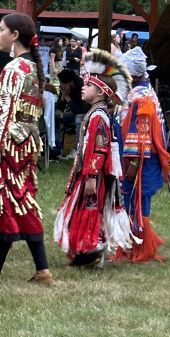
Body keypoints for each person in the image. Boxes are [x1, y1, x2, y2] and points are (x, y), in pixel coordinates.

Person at [54, 49, 132, 269]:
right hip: (89, 173)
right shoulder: (96, 113)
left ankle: (91, 253)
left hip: (93, 176)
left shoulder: (98, 116)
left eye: (88, 86)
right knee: (84, 210)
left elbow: (99, 150)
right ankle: (85, 252)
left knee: (89, 211)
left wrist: (91, 177)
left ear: (100, 93)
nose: (83, 88)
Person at [0, 13, 53, 284]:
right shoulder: (33, 68)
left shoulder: (13, 69)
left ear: (15, 35)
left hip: (8, 144)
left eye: (1, 30)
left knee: (5, 202)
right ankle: (42, 269)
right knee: (23, 201)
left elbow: (6, 112)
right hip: (27, 144)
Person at [111, 47, 170, 263]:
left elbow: (141, 136)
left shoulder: (141, 97)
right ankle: (132, 244)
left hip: (141, 160)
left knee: (136, 200)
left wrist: (133, 166)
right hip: (137, 158)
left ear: (134, 74)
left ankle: (139, 247)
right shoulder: (139, 91)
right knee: (132, 200)